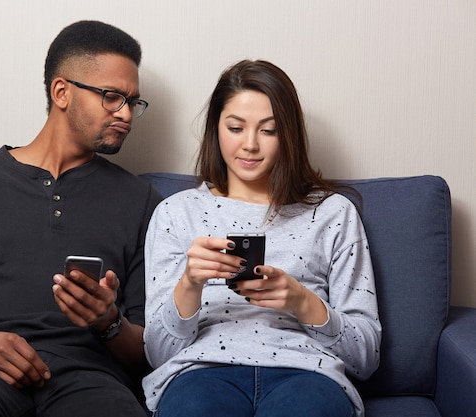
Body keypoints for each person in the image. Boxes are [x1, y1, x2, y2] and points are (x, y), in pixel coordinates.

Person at [0, 20, 162, 417]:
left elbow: (149, 348)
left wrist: (108, 321)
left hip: (89, 379)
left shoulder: (141, 200)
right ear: (62, 92)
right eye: (112, 97)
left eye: (133, 102)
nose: (126, 114)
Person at [142, 60, 381, 417]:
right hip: (202, 372)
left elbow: (366, 357)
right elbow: (158, 354)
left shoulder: (334, 213)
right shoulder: (176, 213)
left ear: (289, 135)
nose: (250, 145)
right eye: (235, 128)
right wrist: (190, 284)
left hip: (307, 374)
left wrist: (303, 302)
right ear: (215, 129)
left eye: (268, 131)